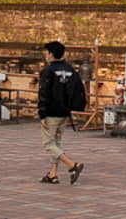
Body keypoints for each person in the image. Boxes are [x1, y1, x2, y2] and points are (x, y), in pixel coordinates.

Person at [36, 40, 84, 185]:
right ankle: (52, 174)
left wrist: (42, 114)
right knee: (56, 143)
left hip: (51, 112)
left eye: (47, 52)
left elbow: (44, 93)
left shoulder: (48, 71)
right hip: (64, 112)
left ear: (50, 53)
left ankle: (72, 165)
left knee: (49, 144)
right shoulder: (70, 70)